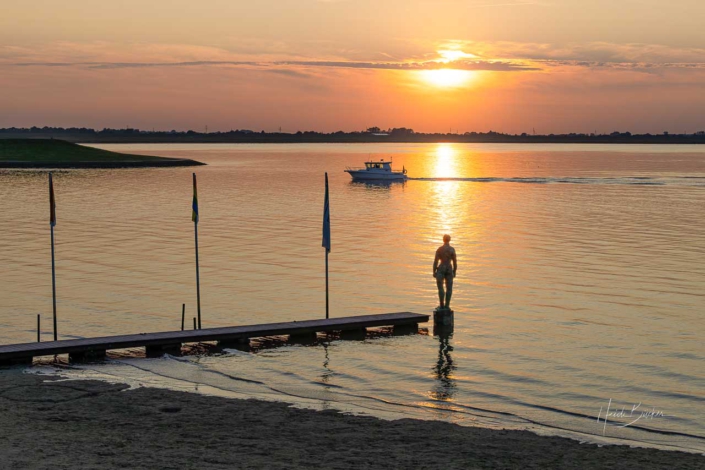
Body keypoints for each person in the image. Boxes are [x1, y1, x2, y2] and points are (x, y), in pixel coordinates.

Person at [433, 234, 457, 310]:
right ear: (449, 240)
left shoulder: (439, 249)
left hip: (441, 268)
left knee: (440, 288)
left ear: (443, 240)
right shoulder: (452, 249)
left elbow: (436, 261)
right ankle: (447, 306)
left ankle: (441, 305)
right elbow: (455, 262)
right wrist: (454, 271)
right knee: (449, 288)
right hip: (449, 268)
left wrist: (434, 271)